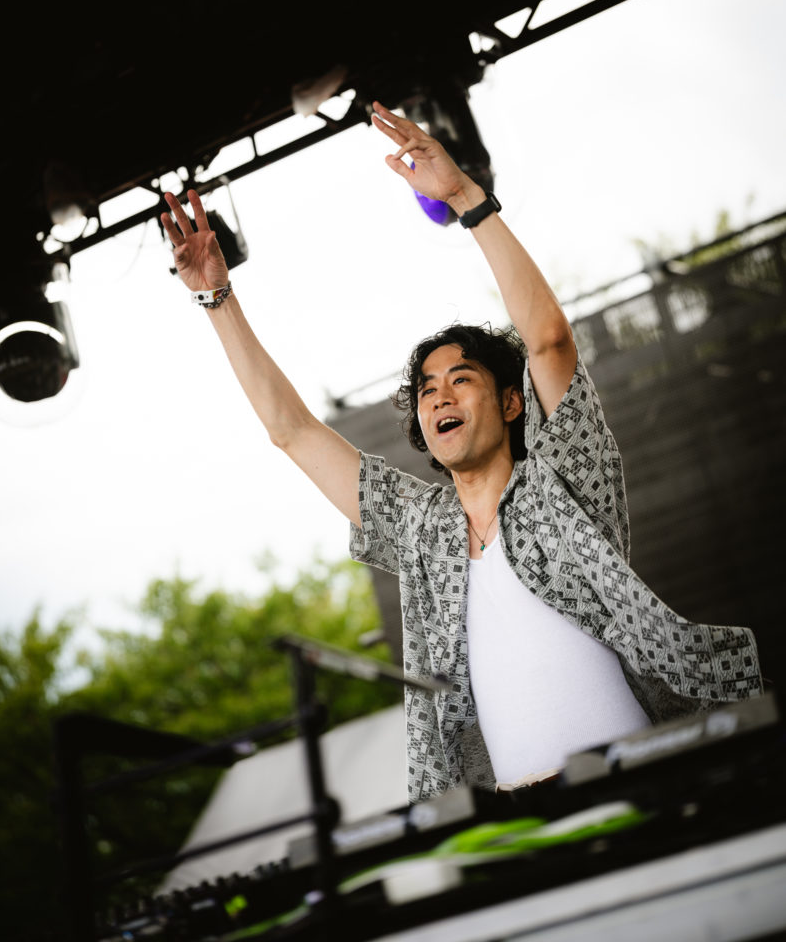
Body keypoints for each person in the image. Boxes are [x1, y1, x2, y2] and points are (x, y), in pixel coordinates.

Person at [162, 101, 763, 803]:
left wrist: (465, 199)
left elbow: (548, 342)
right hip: (517, 817)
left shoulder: (561, 477)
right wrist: (216, 297)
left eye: (461, 379)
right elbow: (291, 430)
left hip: (646, 779)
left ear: (510, 403)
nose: (439, 395)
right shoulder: (421, 529)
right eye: (426, 389)